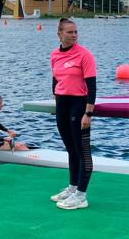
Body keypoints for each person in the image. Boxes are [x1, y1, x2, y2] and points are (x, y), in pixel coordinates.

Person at [50, 18, 96, 210]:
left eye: (75, 32)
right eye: (70, 32)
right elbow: (55, 79)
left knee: (82, 151)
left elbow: (92, 86)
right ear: (60, 34)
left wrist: (88, 113)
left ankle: (81, 195)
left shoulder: (85, 55)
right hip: (62, 104)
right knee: (70, 148)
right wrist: (56, 97)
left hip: (79, 104)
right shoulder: (54, 54)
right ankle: (72, 187)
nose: (74, 35)